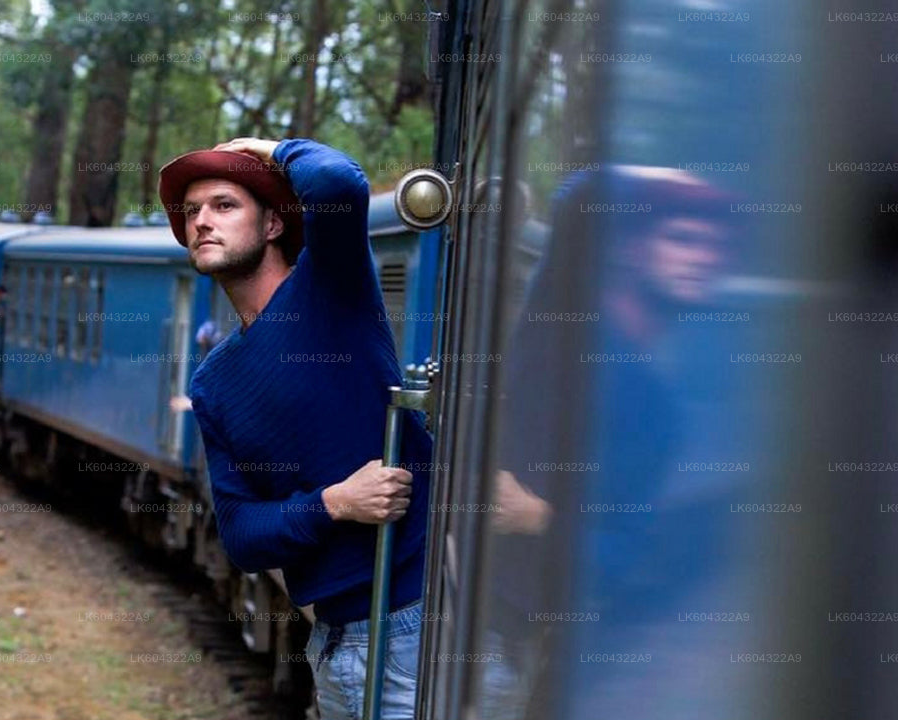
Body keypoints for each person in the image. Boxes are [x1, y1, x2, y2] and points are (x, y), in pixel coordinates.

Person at [158, 137, 432, 719]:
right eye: (191, 212)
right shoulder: (213, 382)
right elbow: (241, 535)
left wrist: (270, 147)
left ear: (275, 222)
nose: (202, 220)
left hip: (415, 626)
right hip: (334, 644)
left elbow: (338, 183)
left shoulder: (329, 288)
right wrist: (333, 503)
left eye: (224, 205)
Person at [479, 167, 735, 719]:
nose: (702, 258)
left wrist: (541, 517)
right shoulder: (564, 341)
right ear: (629, 250)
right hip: (502, 636)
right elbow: (577, 205)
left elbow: (636, 554)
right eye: (682, 239)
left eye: (715, 245)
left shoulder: (660, 389)